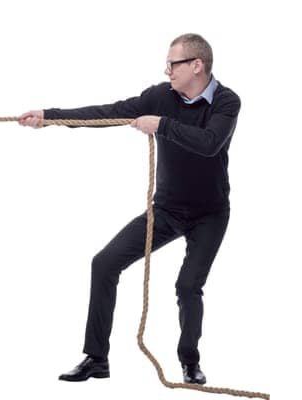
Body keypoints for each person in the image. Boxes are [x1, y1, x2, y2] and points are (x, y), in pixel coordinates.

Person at [18, 33, 240, 386]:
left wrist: (161, 125)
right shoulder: (159, 96)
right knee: (104, 263)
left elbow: (210, 144)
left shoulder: (227, 102)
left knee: (187, 287)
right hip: (166, 209)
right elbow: (109, 112)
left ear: (197, 66)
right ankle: (96, 358)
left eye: (173, 63)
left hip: (210, 214)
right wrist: (49, 116)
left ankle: (189, 362)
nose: (167, 70)